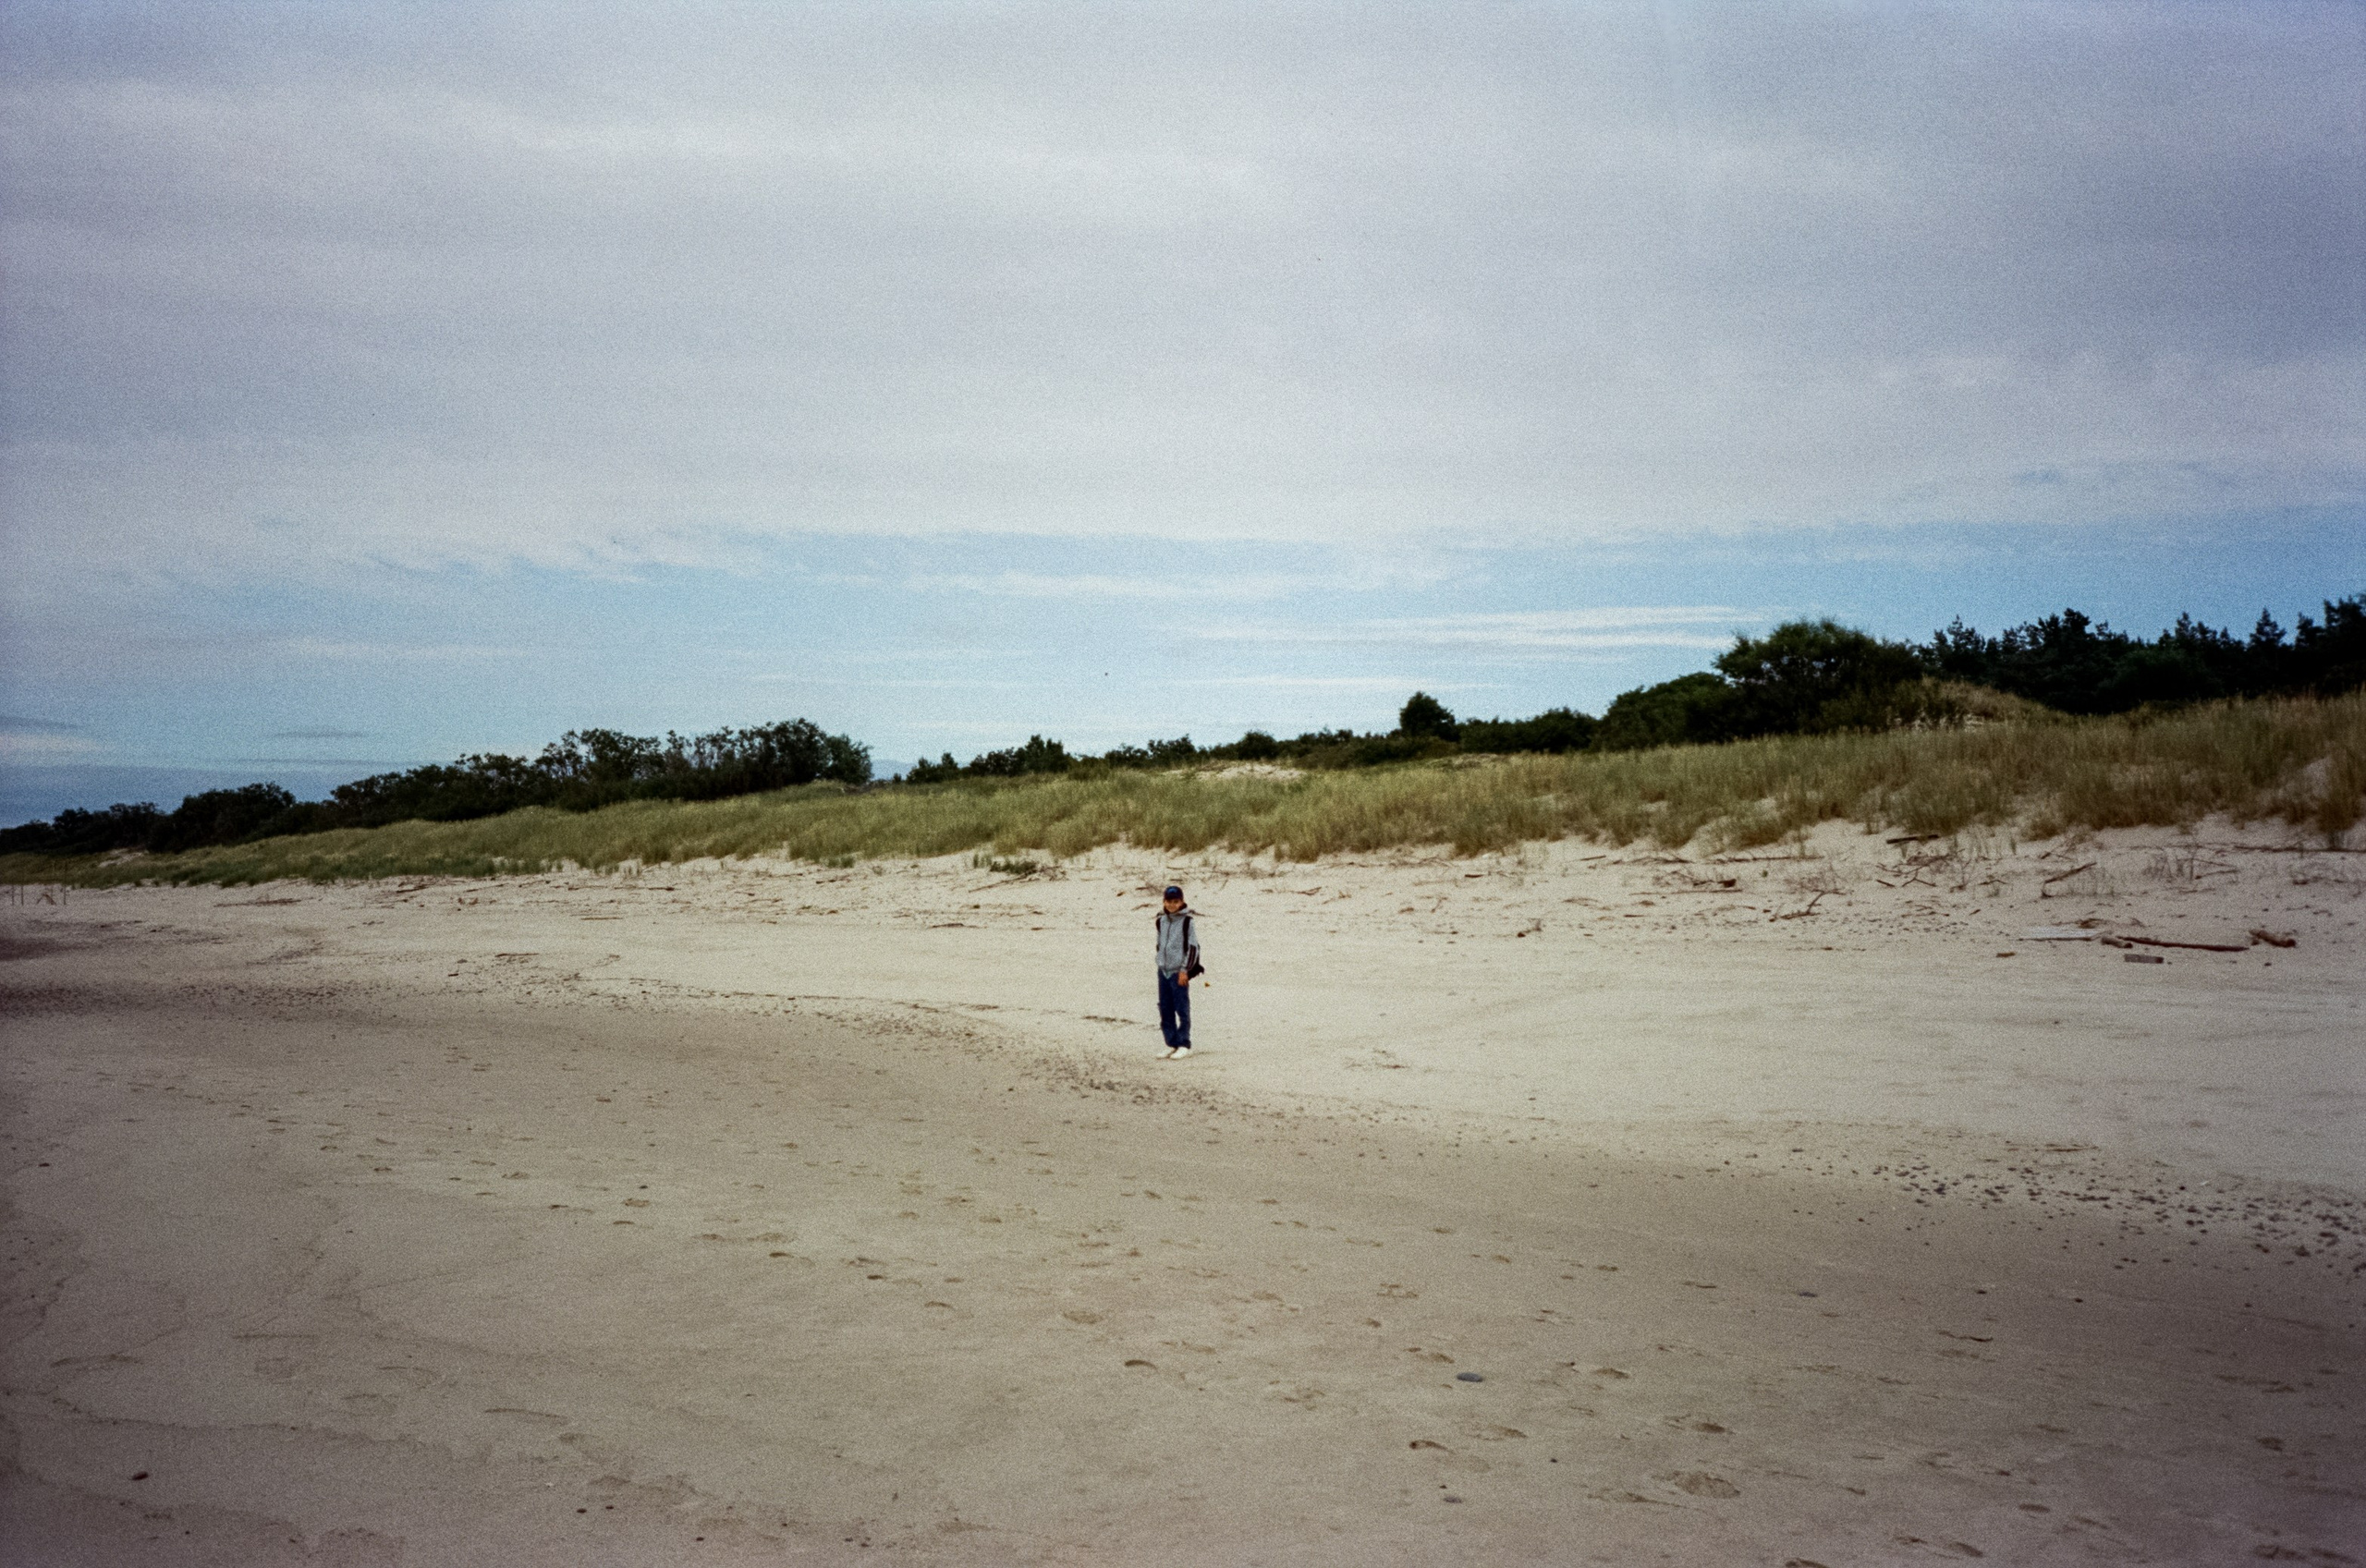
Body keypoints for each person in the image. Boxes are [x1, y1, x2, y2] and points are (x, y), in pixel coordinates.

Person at [1153, 883, 1202, 1059]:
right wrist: (1160, 961)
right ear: (1164, 902)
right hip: (1163, 970)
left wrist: (1184, 970)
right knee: (1165, 1008)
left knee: (1182, 1007)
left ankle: (1184, 1043)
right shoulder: (1161, 920)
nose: (1172, 905)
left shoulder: (1187, 922)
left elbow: (1193, 947)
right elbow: (1160, 944)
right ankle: (1171, 1043)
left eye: (1176, 901)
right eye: (1169, 901)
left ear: (1182, 902)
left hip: (1178, 972)